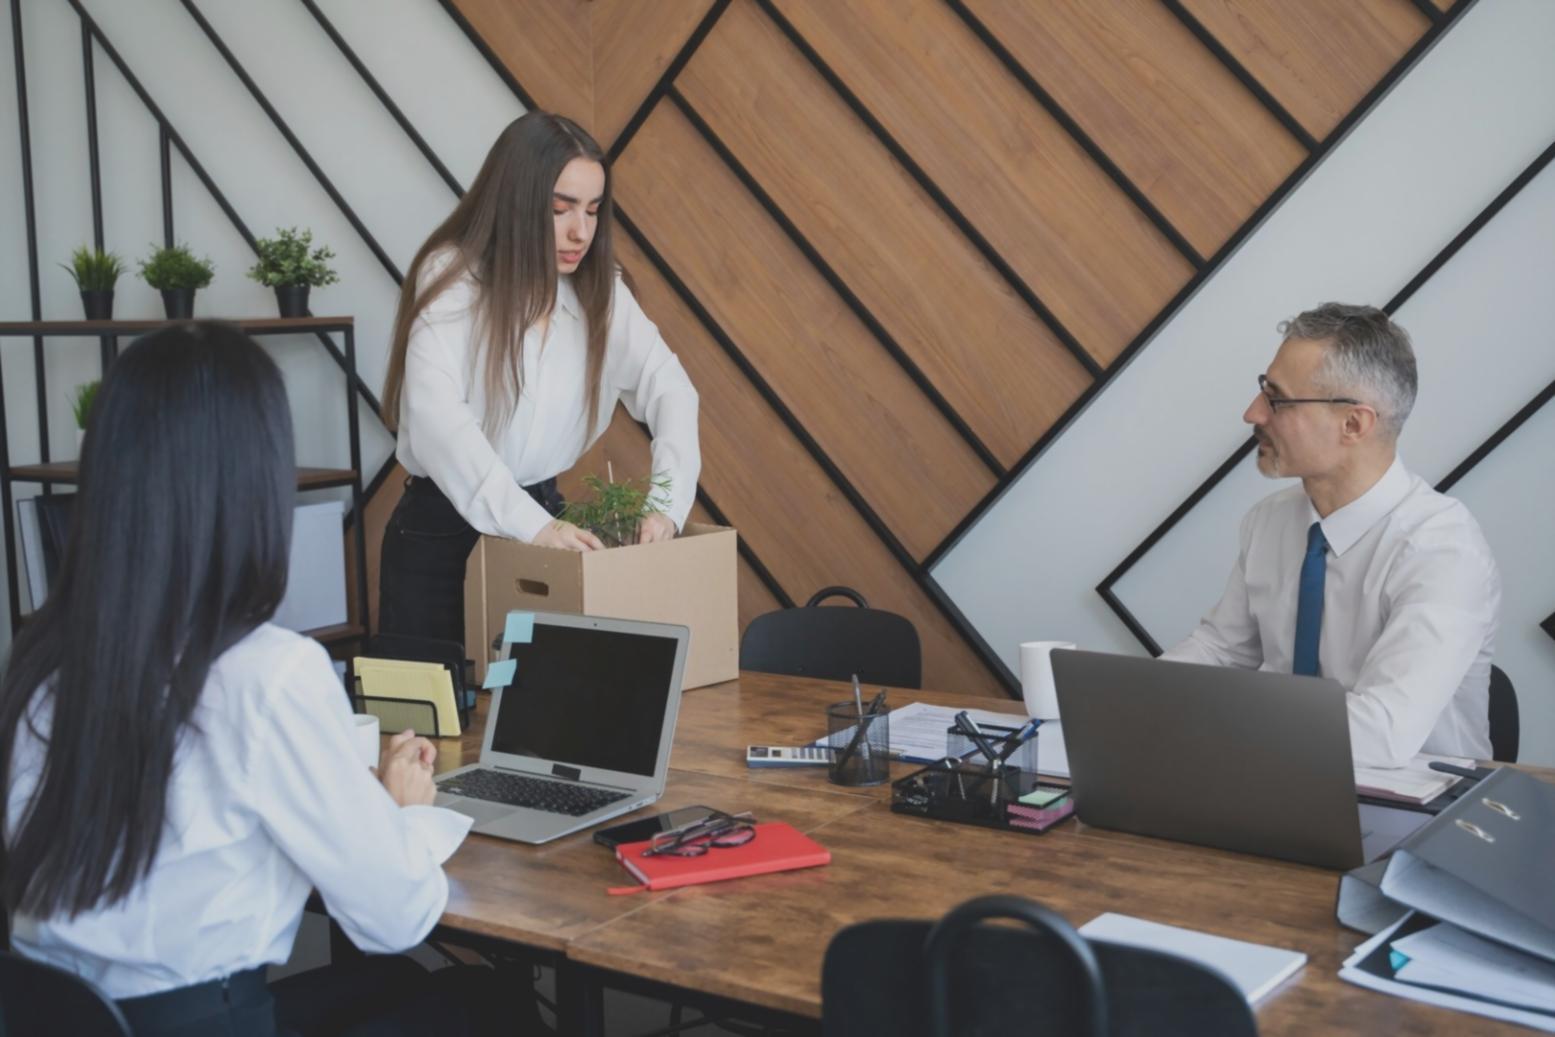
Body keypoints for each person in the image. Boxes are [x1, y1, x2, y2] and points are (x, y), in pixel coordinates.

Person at [0, 322, 497, 1036]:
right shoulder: (266, 673)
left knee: (390, 985)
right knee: (475, 1002)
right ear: (252, 484)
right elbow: (396, 916)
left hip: (78, 1017)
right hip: (206, 1021)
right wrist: (399, 813)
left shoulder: (45, 654)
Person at [378, 111, 701, 645]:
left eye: (593, 211)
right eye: (560, 209)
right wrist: (532, 526)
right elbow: (439, 422)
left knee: (537, 717)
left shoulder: (600, 291)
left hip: (547, 522)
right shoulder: (453, 278)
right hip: (442, 534)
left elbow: (670, 388)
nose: (581, 232)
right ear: (516, 201)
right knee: (431, 723)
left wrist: (666, 505)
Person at [1162, 303, 1501, 768]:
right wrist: (1130, 701)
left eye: (1277, 399)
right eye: (1263, 391)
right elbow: (1221, 650)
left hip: (1418, 814)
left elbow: (1383, 732)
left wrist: (1224, 714)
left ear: (1353, 424)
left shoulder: (1442, 549)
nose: (1252, 413)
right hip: (1280, 783)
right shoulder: (1270, 521)